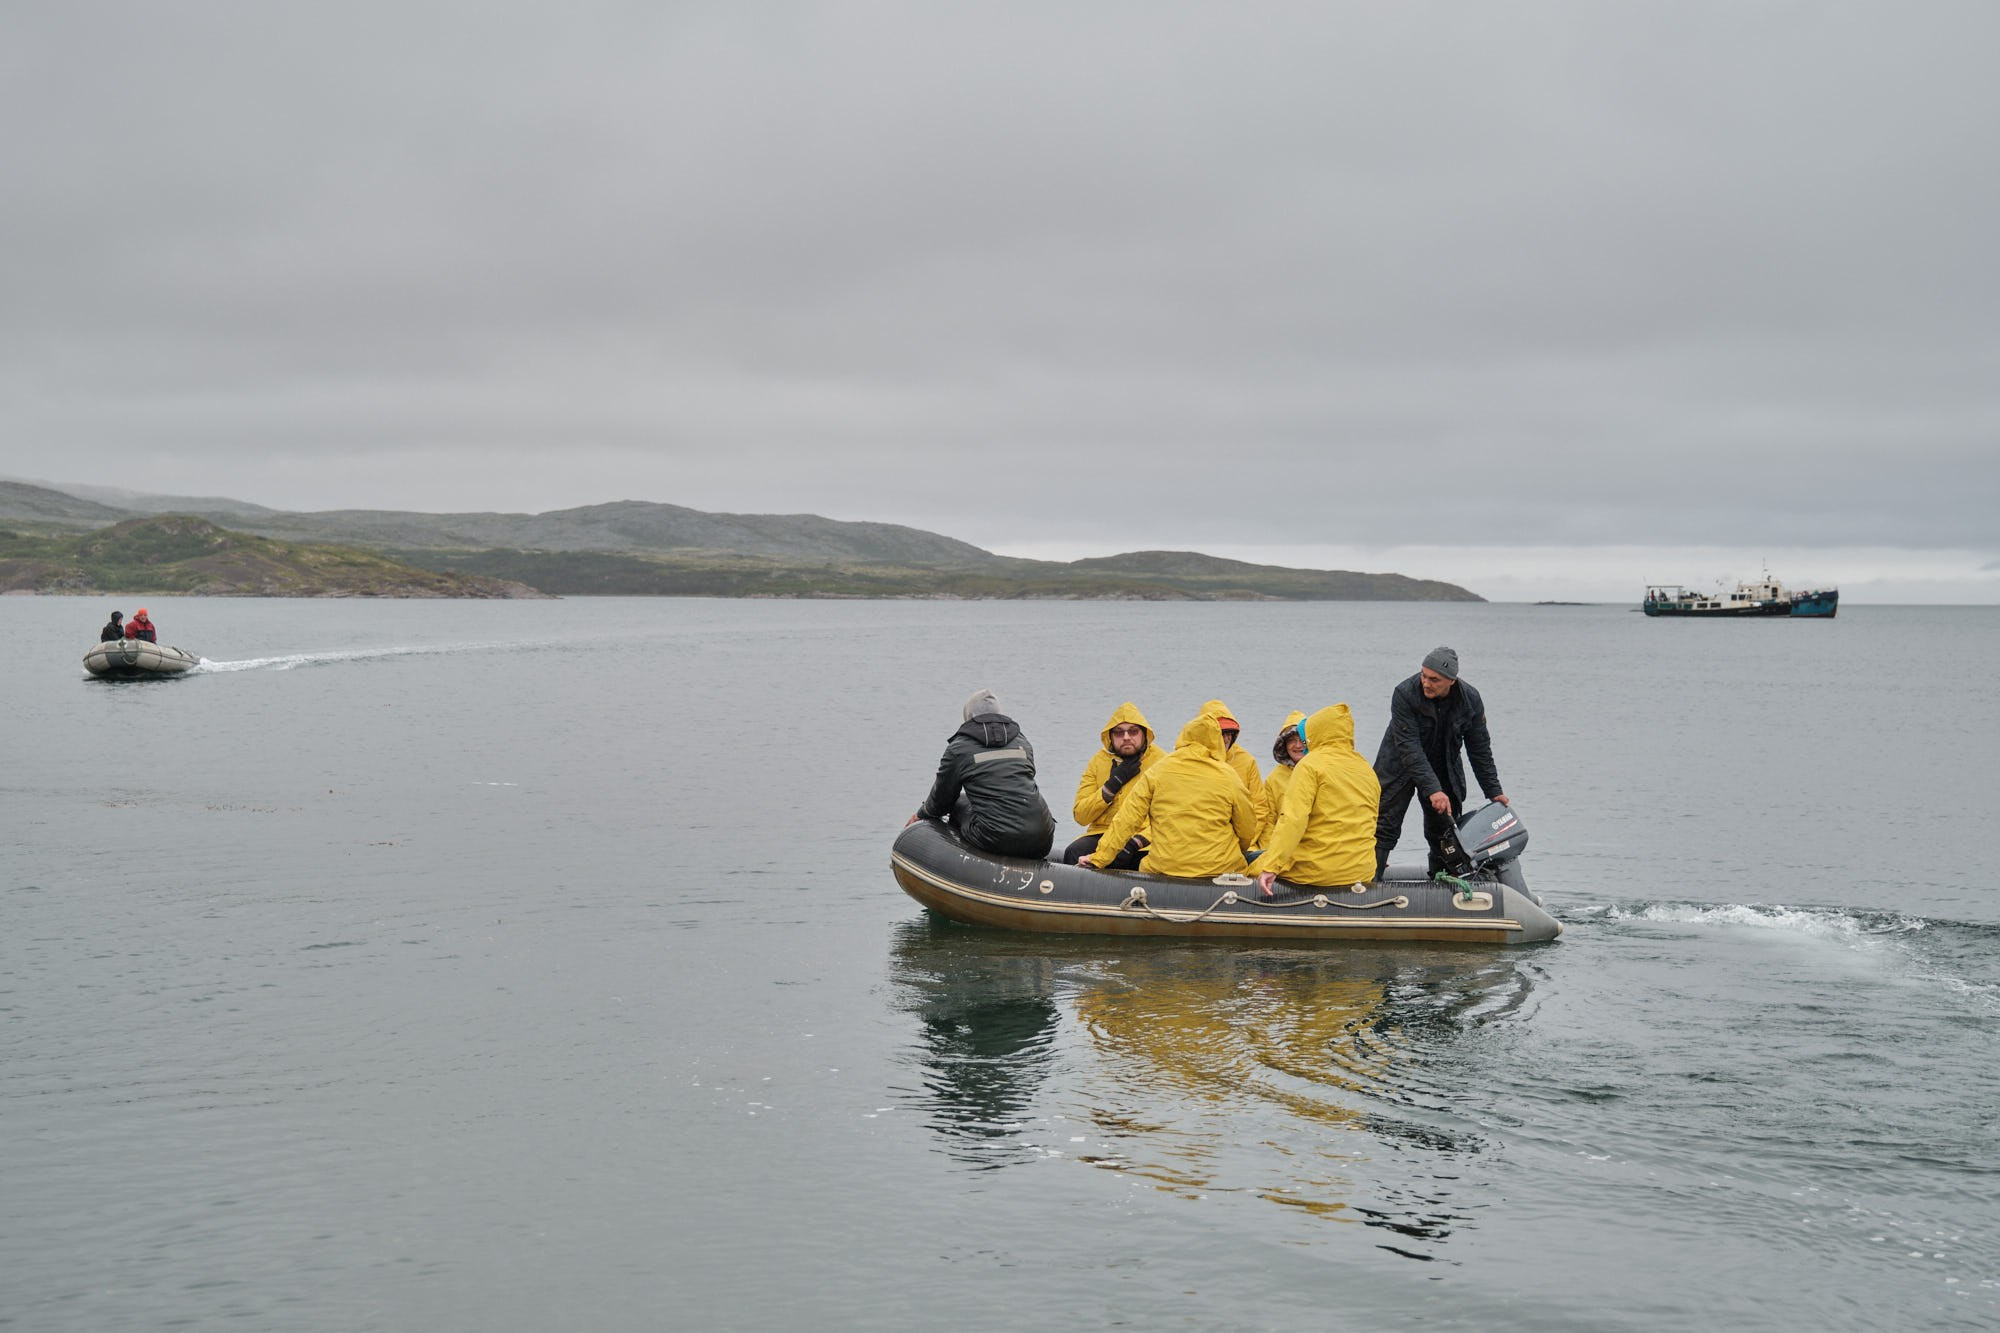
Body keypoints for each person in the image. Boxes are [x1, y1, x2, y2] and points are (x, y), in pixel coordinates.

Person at [1372, 646, 1507, 879]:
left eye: (1434, 679)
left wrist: (1493, 790)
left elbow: (1480, 749)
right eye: (1423, 675)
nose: (1426, 682)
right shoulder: (1404, 693)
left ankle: (1443, 880)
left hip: (1444, 764)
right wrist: (1433, 789)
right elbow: (1410, 748)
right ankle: (1369, 880)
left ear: (1451, 681)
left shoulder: (1470, 700)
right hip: (1399, 762)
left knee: (1444, 829)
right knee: (1384, 825)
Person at [1081, 714, 1257, 878]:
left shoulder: (1158, 770)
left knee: (1144, 865)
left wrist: (1099, 858)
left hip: (1164, 867)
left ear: (1184, 738)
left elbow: (1126, 820)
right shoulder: (1228, 775)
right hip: (1220, 868)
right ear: (1216, 741)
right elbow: (1247, 826)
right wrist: (1239, 848)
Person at [908, 689, 1056, 859]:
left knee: (956, 803)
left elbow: (940, 802)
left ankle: (961, 862)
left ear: (968, 716)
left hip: (996, 838)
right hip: (1043, 837)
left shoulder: (959, 748)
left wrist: (921, 814)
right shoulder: (1023, 742)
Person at [1256, 705, 1382, 896]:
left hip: (1318, 872)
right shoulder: (1366, 769)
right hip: (1361, 871)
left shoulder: (1309, 765)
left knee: (1249, 864)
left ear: (1316, 732)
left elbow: (1293, 819)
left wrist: (1272, 866)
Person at [1063, 701, 1165, 868]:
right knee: (1074, 852)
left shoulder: (1162, 762)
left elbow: (1169, 817)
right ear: (1109, 737)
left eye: (1133, 731)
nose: (1126, 737)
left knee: (1146, 862)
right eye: (1118, 733)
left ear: (1144, 734)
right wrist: (1110, 787)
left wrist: (1135, 842)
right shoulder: (1098, 762)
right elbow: (1081, 816)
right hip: (1103, 833)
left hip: (1144, 838)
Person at [1198, 699, 1272, 845]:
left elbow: (1259, 808)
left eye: (1229, 733)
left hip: (1240, 841)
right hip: (1202, 840)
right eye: (1220, 733)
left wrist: (1244, 844)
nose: (1225, 739)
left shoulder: (1246, 761)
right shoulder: (1190, 758)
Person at [1263, 710, 1307, 823]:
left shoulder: (1322, 771)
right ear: (1283, 744)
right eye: (1292, 740)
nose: (1298, 745)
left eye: (1302, 740)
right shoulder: (1273, 780)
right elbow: (1269, 821)